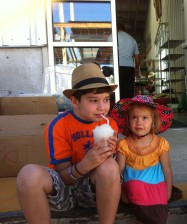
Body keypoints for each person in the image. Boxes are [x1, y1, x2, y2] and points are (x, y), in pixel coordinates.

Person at [16, 63, 121, 224]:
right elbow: (63, 176)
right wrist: (86, 163)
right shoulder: (58, 126)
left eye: (106, 100)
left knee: (110, 166)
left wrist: (112, 157)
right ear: (74, 101)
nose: (102, 107)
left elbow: (109, 174)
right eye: (94, 100)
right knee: (28, 174)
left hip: (93, 193)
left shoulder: (109, 125)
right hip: (63, 192)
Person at [110, 95, 173, 224]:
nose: (139, 122)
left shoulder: (161, 143)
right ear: (128, 121)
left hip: (156, 182)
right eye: (134, 117)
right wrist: (121, 194)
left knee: (159, 206)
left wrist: (169, 192)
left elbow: (167, 170)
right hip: (133, 183)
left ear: (153, 121)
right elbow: (118, 173)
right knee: (136, 188)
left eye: (145, 118)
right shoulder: (124, 144)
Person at [107, 21, 141, 99]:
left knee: (117, 91)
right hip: (130, 68)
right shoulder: (132, 39)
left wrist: (101, 61)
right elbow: (137, 57)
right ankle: (127, 109)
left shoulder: (112, 36)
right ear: (124, 28)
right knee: (128, 92)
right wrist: (137, 69)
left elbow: (108, 52)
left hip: (117, 67)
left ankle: (117, 109)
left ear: (115, 27)